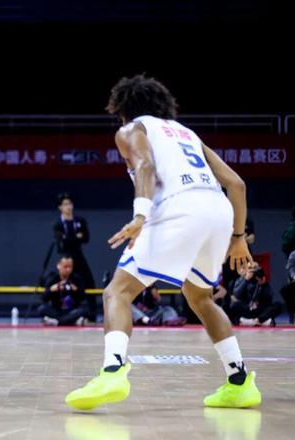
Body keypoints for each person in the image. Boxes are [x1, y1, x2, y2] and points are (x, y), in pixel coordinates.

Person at [65, 74, 261, 411]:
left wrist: (140, 216)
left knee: (117, 292)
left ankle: (112, 371)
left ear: (122, 108)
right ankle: (240, 382)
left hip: (178, 208)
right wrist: (239, 238)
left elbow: (145, 166)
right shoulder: (188, 134)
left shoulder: (132, 129)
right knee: (200, 297)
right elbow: (237, 184)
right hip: (218, 211)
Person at [53, 193, 96, 288]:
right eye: (65, 204)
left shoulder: (80, 221)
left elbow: (85, 238)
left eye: (70, 204)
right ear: (60, 207)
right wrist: (76, 237)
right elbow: (62, 240)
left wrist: (68, 237)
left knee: (88, 281)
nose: (68, 207)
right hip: (65, 256)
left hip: (78, 256)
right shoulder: (58, 224)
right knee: (63, 279)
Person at [39, 256, 92, 326]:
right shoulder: (52, 279)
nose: (68, 269)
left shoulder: (77, 279)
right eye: (65, 267)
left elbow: (83, 297)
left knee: (85, 309)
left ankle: (58, 322)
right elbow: (44, 298)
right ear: (58, 266)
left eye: (70, 267)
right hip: (57, 310)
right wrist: (51, 290)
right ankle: (72, 321)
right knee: (42, 309)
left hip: (72, 311)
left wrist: (76, 290)